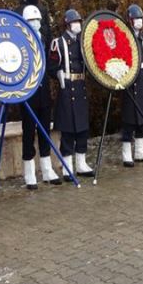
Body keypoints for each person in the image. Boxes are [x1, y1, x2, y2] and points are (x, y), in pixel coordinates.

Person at [49, 9, 95, 177]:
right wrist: (58, 74)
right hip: (67, 88)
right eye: (75, 22)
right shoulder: (59, 43)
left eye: (79, 22)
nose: (78, 25)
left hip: (80, 86)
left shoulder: (83, 42)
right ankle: (67, 165)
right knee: (68, 129)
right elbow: (52, 67)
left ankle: (81, 163)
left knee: (82, 128)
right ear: (68, 24)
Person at [19, 5, 60, 188]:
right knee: (28, 133)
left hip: (44, 92)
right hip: (28, 94)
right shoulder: (20, 41)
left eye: (37, 20)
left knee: (45, 131)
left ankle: (47, 168)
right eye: (31, 21)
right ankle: (29, 172)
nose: (35, 23)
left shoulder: (44, 39)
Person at [120, 5, 143, 166]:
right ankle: (126, 152)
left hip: (141, 78)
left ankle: (140, 149)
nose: (139, 21)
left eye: (141, 18)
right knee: (128, 117)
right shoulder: (124, 37)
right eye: (136, 19)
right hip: (128, 78)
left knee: (142, 115)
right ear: (130, 20)